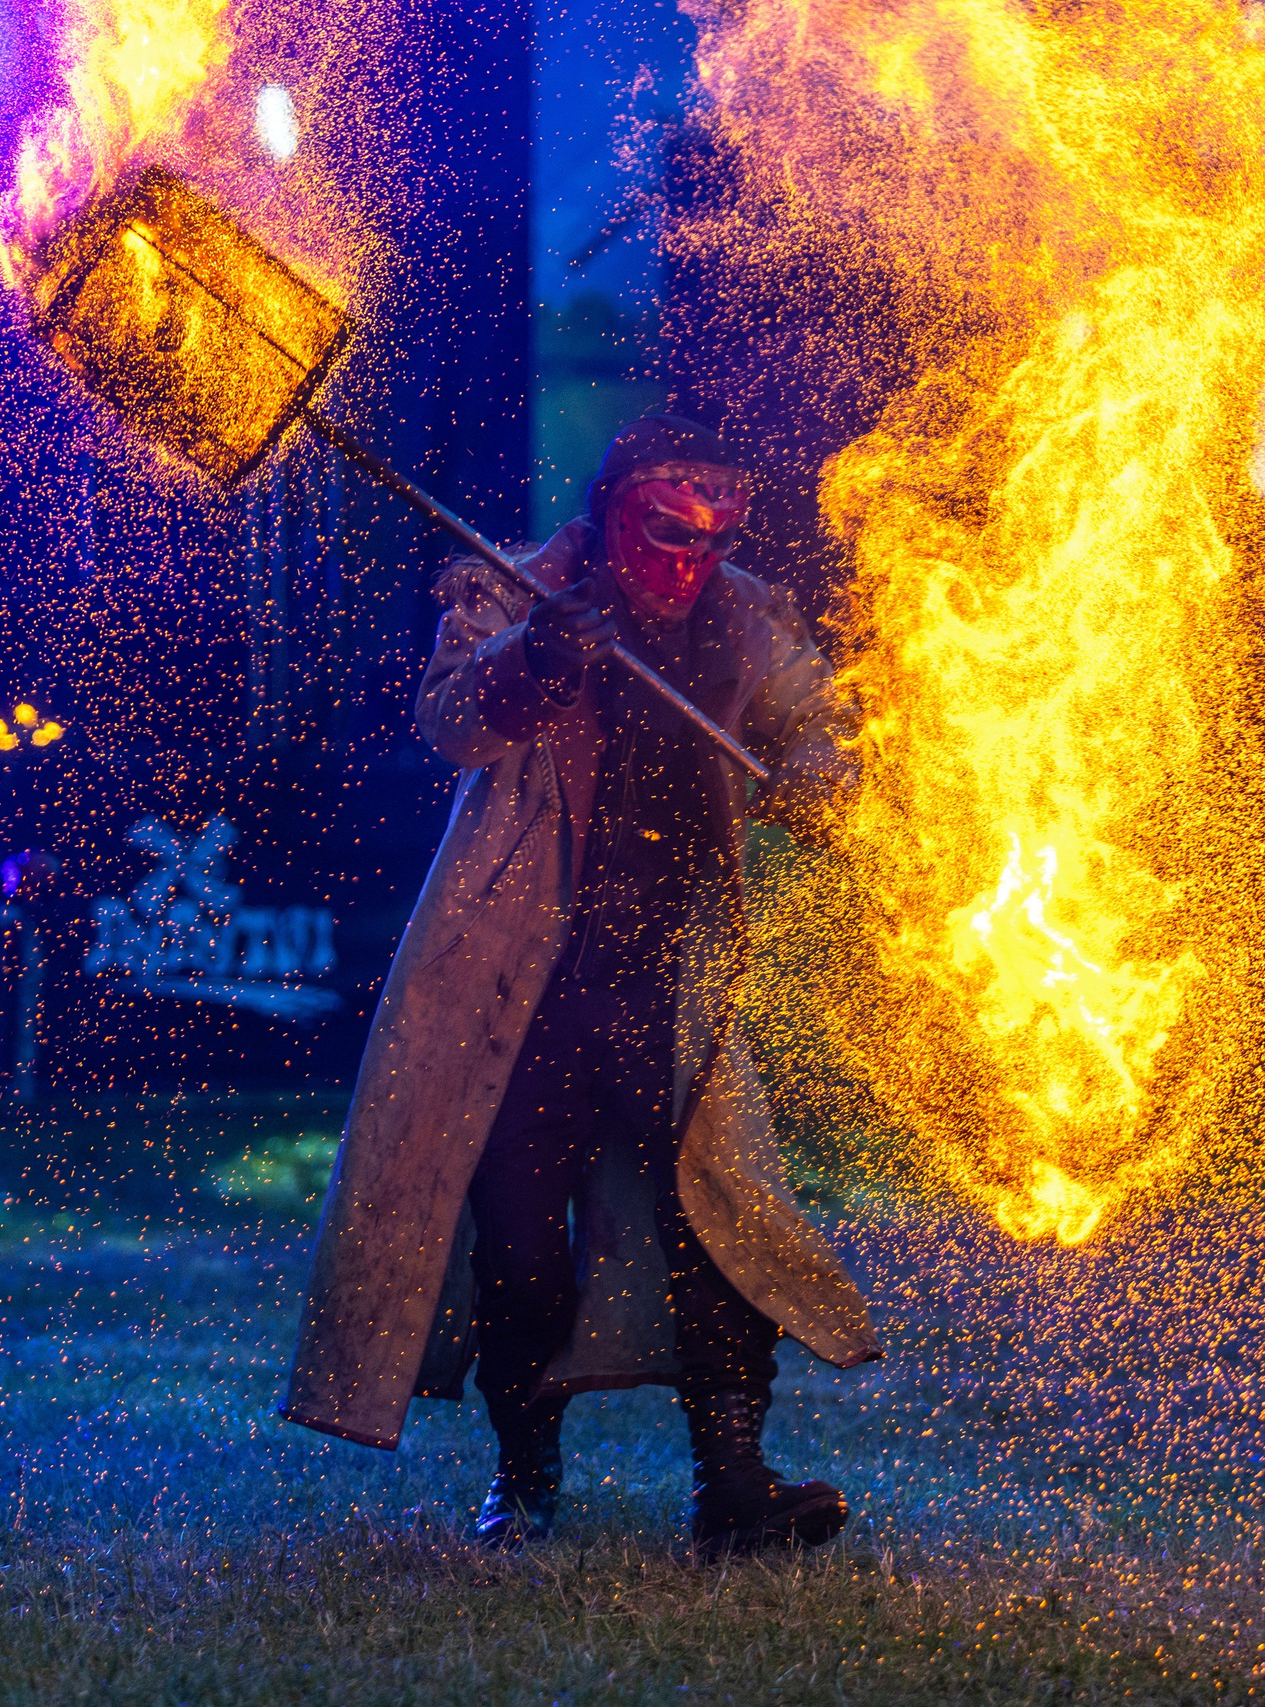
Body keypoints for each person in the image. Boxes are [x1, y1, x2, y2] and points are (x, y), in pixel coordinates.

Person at [281, 416, 880, 1556]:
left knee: (721, 1229)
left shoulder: (750, 617)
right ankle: (524, 1478)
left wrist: (812, 783)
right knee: (517, 1246)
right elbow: (450, 722)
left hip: (674, 974)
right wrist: (539, 660)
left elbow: (815, 726)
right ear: (611, 511)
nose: (688, 561)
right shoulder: (511, 594)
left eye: (713, 540)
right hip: (522, 982)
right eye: (665, 533)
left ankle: (734, 1485)